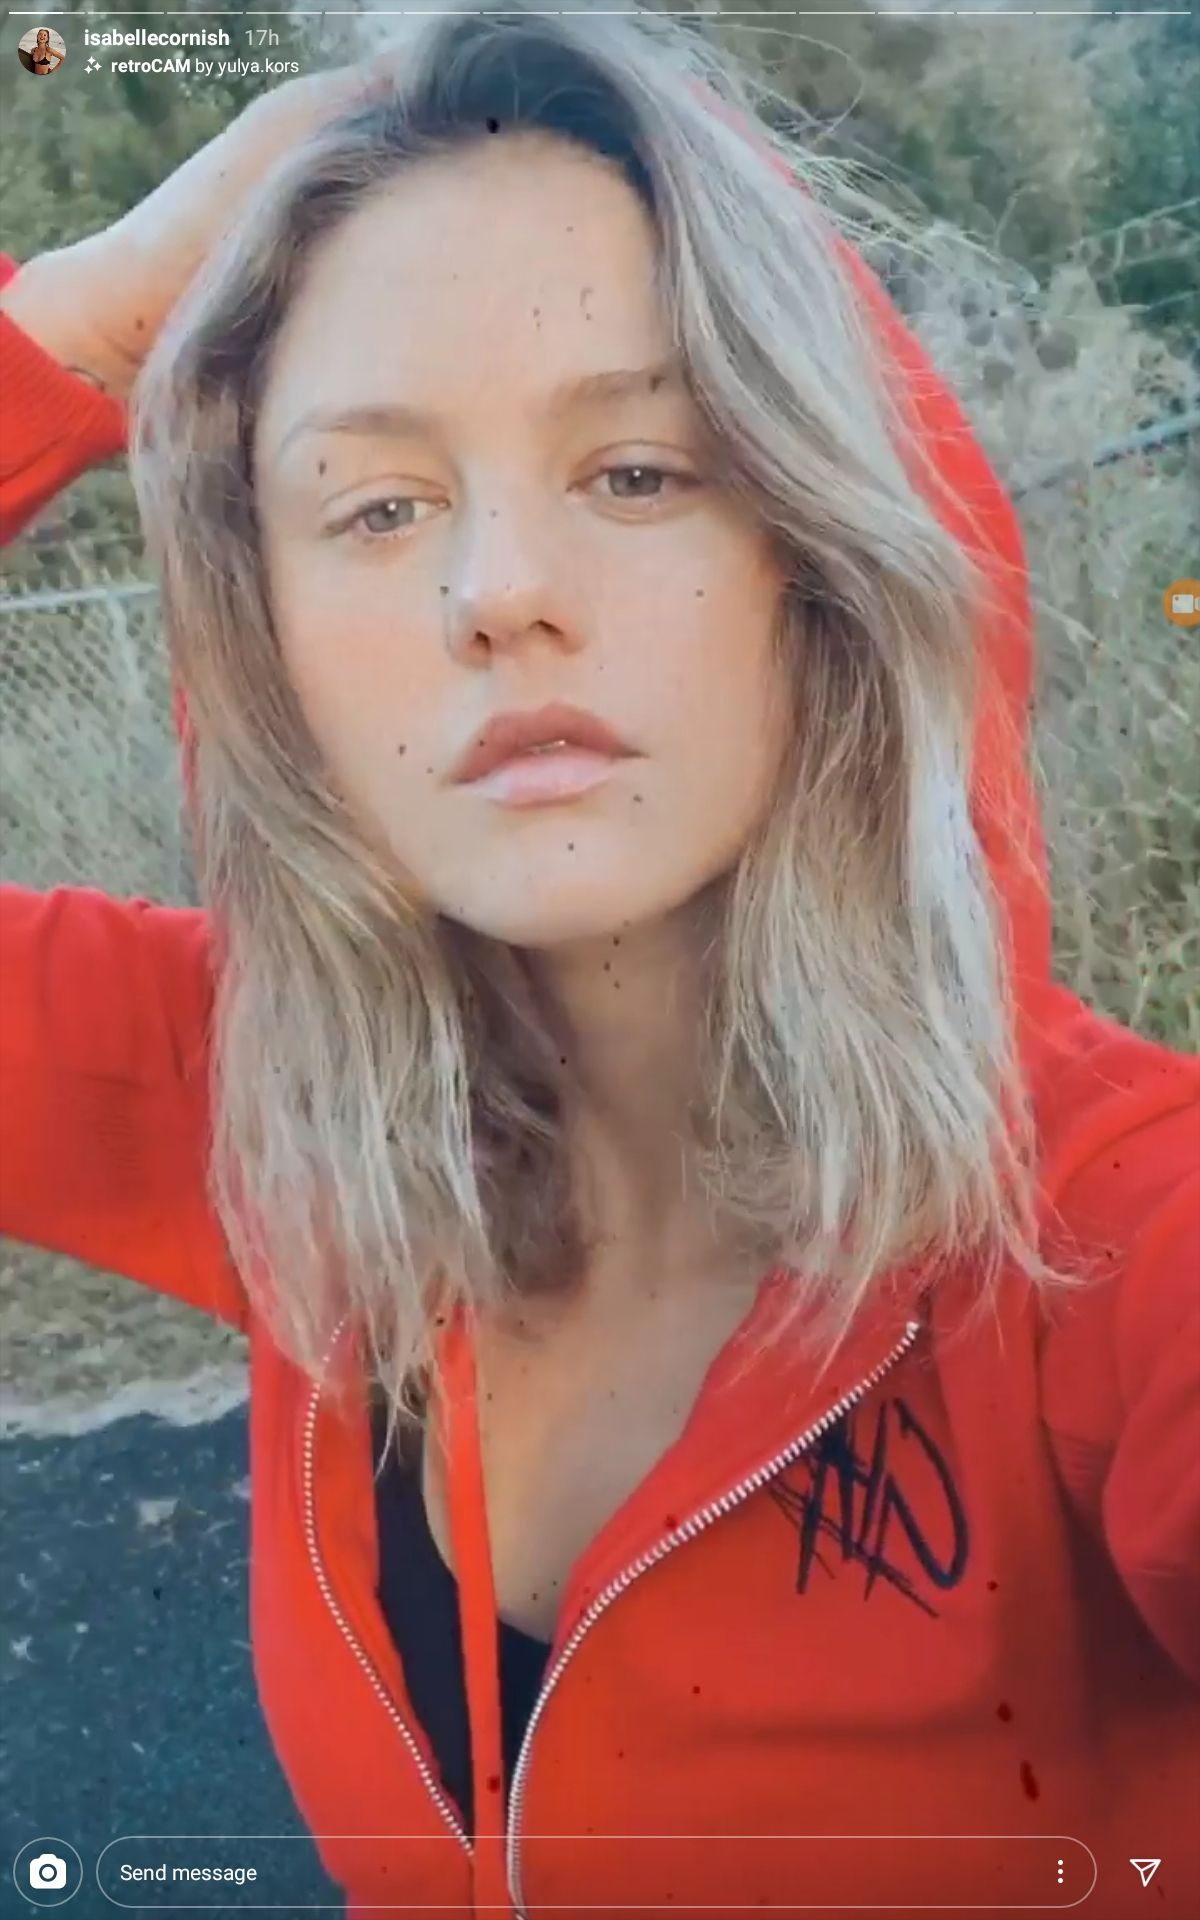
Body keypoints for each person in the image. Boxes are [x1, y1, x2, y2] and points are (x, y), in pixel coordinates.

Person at [1, 5, 1197, 1917]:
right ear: (268, 647)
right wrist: (75, 327)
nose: (498, 591)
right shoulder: (266, 1102)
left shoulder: (1116, 1237)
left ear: (819, 556)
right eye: (377, 505)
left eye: (639, 470)